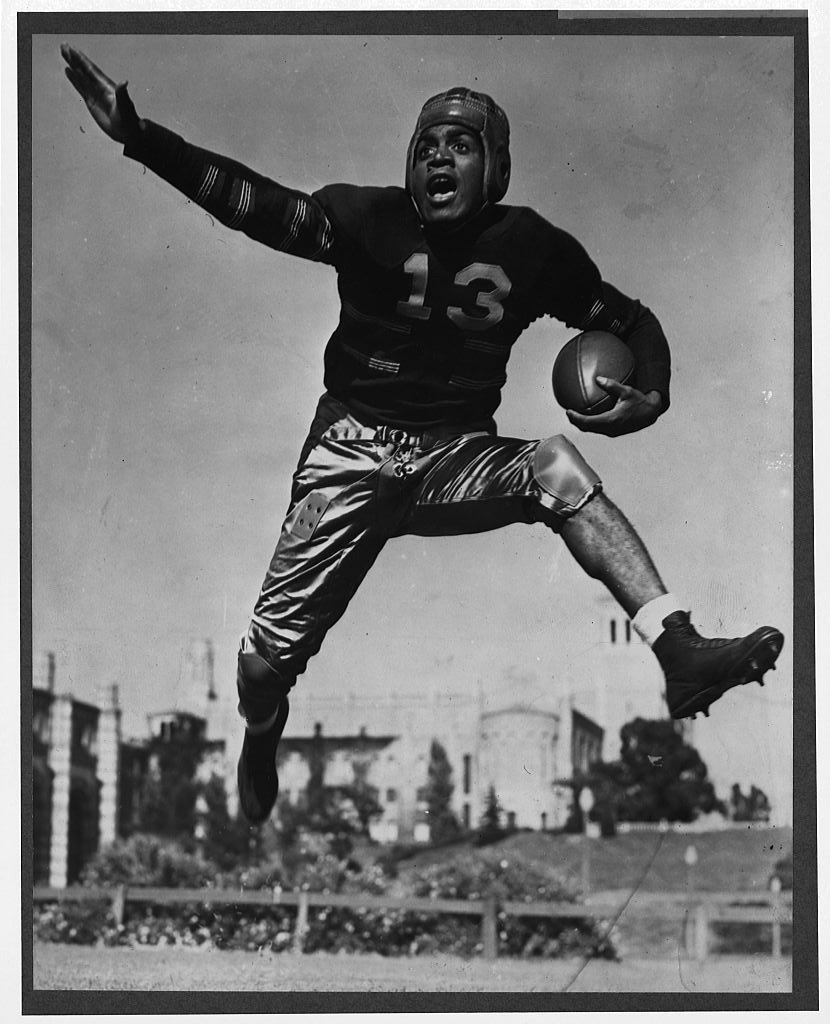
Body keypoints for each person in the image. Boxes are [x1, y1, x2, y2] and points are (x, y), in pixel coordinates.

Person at [61, 44, 784, 825]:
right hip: (351, 450)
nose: (438, 154)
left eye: (461, 142)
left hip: (453, 457)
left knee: (556, 466)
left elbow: (633, 322)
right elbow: (256, 206)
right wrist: (141, 137)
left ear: (495, 171)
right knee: (262, 665)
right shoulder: (365, 218)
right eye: (425, 143)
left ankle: (675, 646)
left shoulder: (534, 249)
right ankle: (263, 729)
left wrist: (653, 394)